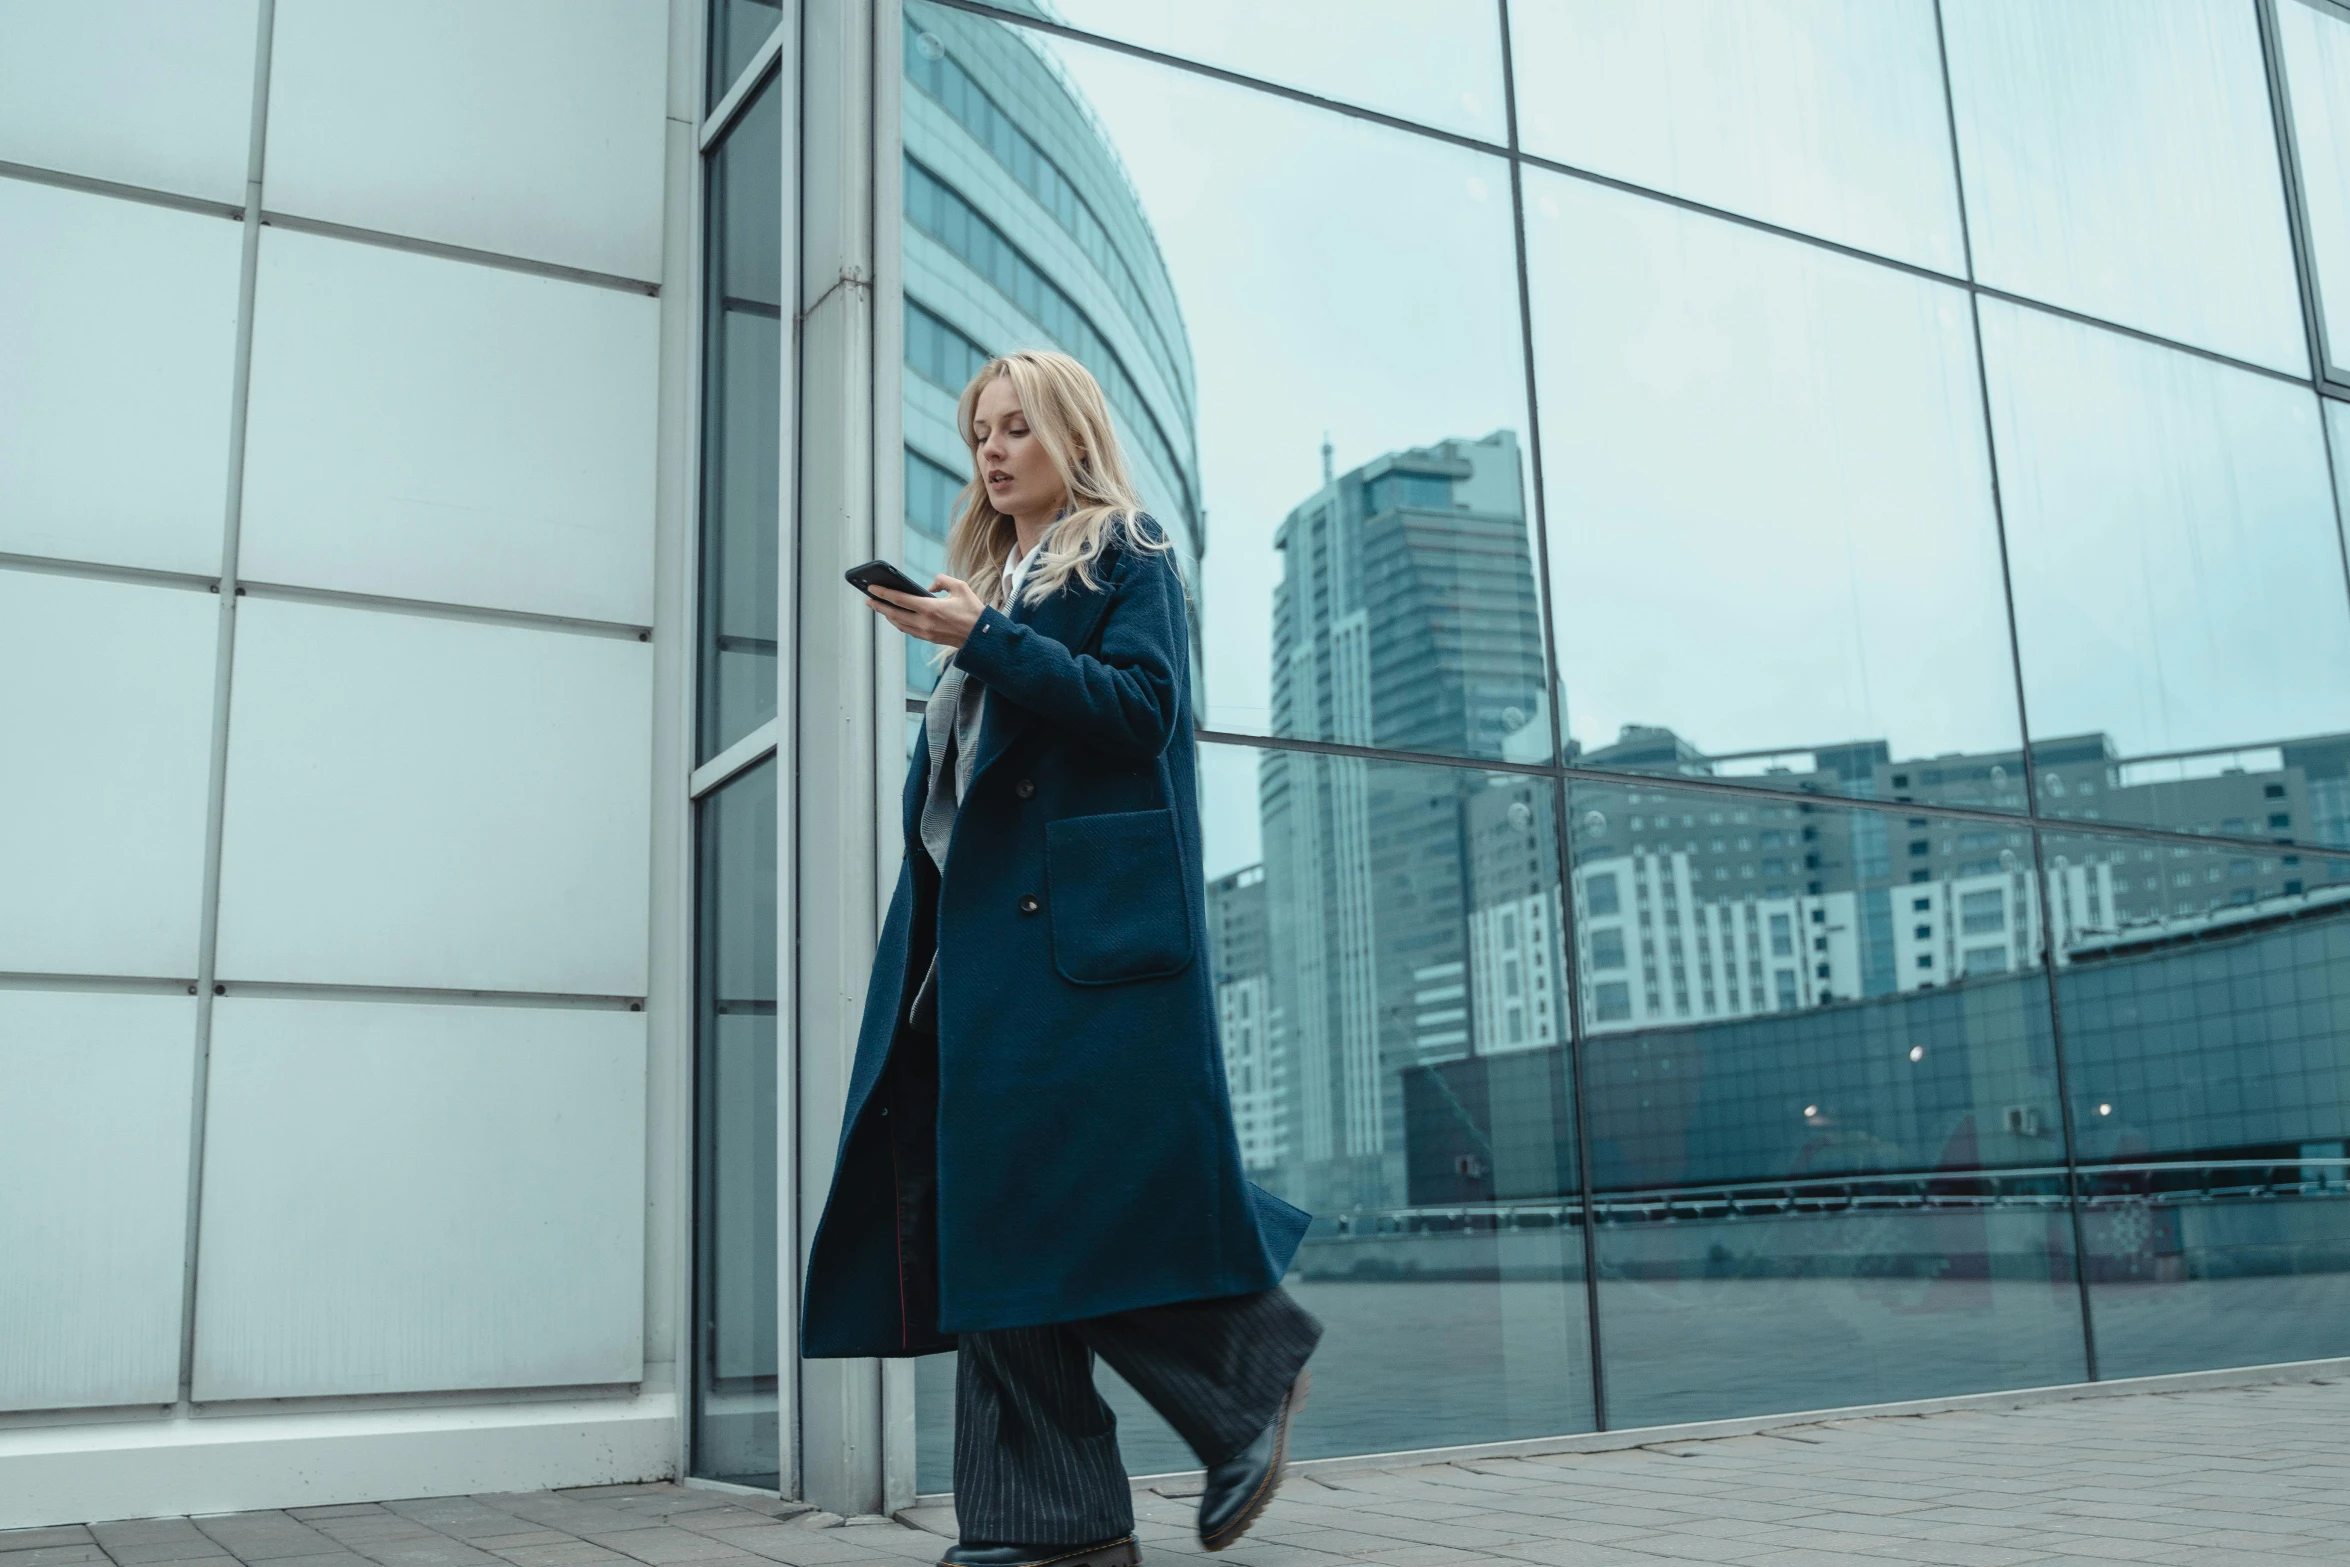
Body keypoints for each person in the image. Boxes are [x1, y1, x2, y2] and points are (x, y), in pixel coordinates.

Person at [801, 348, 1322, 1567]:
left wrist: (985, 640)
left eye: (1016, 427)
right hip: (976, 949)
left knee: (1051, 1203)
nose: (991, 450)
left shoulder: (1122, 545)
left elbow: (1144, 710)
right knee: (994, 1212)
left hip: (1077, 945)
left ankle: (1243, 1372)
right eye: (979, 430)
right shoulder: (1000, 577)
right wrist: (972, 637)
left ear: (1068, 435)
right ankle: (1051, 1525)